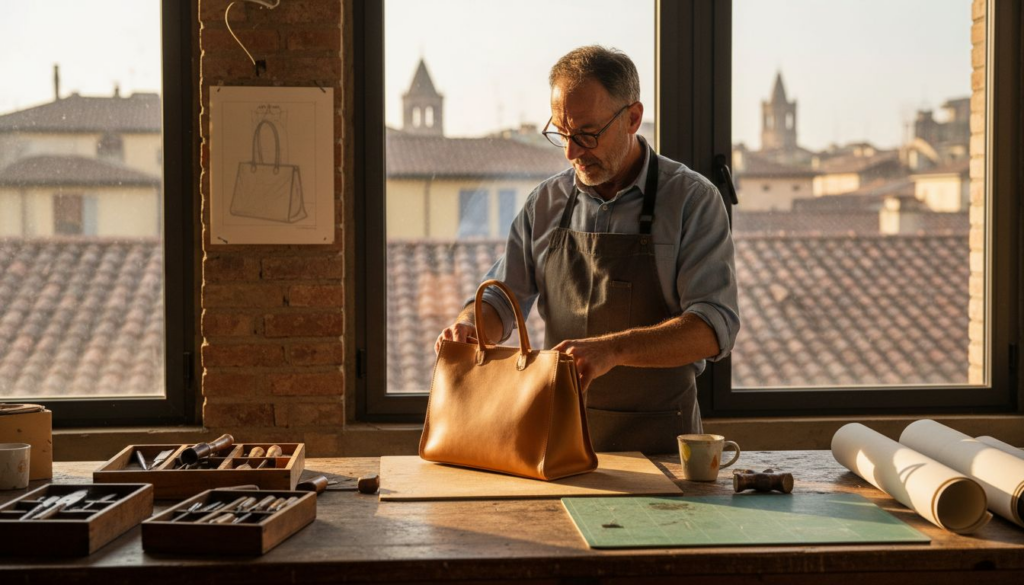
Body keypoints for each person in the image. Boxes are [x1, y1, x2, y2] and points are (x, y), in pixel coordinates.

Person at [434, 45, 740, 454]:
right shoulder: (545, 203)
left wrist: (612, 349)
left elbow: (713, 327)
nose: (571, 152)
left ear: (633, 118)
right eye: (562, 133)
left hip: (662, 443)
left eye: (587, 134)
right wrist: (472, 326)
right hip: (557, 440)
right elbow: (501, 300)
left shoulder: (692, 201)